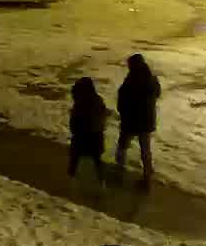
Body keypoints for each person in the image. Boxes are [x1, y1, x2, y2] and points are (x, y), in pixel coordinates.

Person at [115, 54, 161, 185]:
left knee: (122, 146)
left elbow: (122, 100)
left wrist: (123, 113)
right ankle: (147, 175)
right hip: (147, 121)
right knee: (145, 149)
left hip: (131, 121)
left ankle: (119, 171)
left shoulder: (130, 81)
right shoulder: (152, 79)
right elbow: (157, 93)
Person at [68, 77, 110, 182]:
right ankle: (101, 180)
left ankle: (71, 178)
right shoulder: (97, 100)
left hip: (82, 137)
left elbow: (74, 121)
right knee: (96, 160)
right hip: (95, 136)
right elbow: (103, 115)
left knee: (75, 157)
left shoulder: (80, 102)